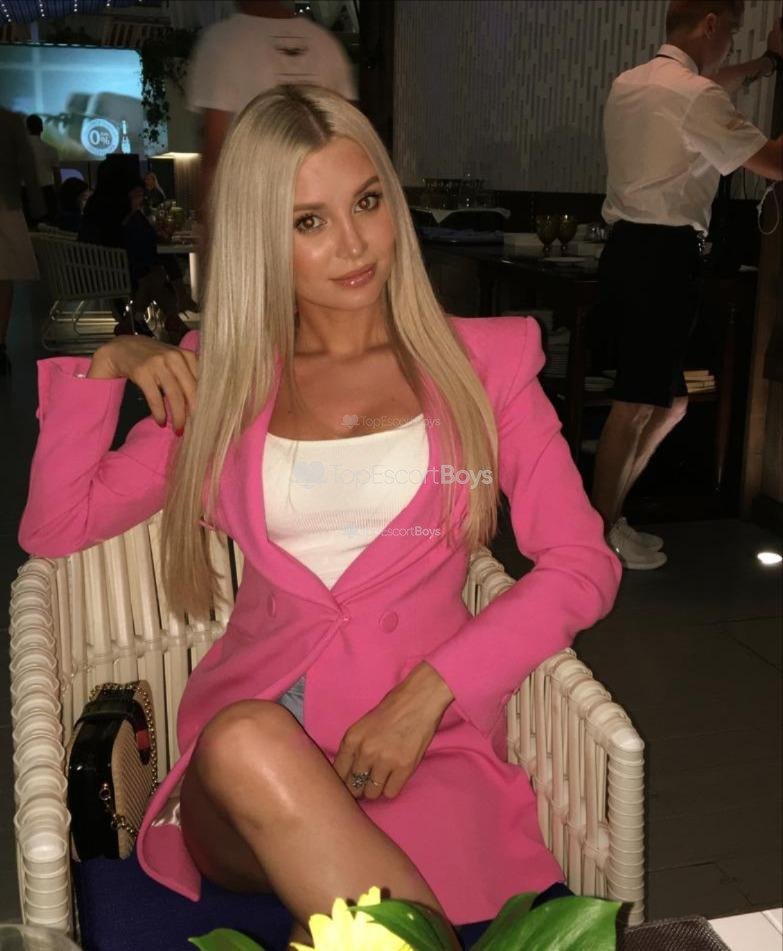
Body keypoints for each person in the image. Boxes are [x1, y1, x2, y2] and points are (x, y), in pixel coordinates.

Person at [18, 86, 621, 946]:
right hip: (251, 762)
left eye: (367, 202)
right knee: (247, 738)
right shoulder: (223, 377)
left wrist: (430, 691)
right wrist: (106, 367)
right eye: (309, 221)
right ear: (262, 238)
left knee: (356, 918)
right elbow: (56, 526)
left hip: (426, 746)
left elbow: (581, 562)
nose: (354, 243)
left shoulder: (482, 365)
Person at [593, 0, 783, 570]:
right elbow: (773, 163)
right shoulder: (696, 96)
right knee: (634, 405)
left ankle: (608, 519)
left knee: (670, 400)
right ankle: (593, 542)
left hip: (628, 253)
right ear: (711, 25)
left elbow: (713, 86)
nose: (730, 46)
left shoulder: (632, 82)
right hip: (663, 258)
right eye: (732, 33)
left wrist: (767, 62)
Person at [186, 0, 357, 229]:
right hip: (318, 214)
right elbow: (350, 139)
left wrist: (210, 232)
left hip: (254, 218)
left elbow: (214, 156)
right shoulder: (325, 44)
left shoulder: (222, 42)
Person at [79, 156, 195, 343]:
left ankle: (137, 319)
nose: (139, 198)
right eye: (136, 195)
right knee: (154, 275)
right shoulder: (121, 215)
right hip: (115, 273)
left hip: (100, 270)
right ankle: (169, 315)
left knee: (153, 273)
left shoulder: (98, 208)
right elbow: (140, 243)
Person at [0, 108, 44, 376]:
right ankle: (0, 342)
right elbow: (27, 165)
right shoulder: (10, 120)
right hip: (6, 204)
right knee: (4, 278)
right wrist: (37, 208)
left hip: (7, 203)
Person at [25, 114, 60, 221]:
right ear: (41, 129)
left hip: (25, 192)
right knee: (49, 224)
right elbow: (57, 176)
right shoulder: (51, 150)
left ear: (26, 129)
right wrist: (58, 193)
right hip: (46, 192)